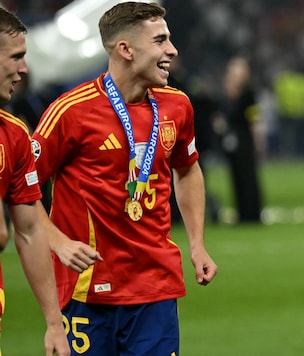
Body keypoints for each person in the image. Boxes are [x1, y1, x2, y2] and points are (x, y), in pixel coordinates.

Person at [31, 2, 218, 355]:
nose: (172, 50)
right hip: (87, 289)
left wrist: (196, 243)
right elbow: (20, 189)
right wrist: (57, 242)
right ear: (126, 49)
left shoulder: (177, 106)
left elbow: (188, 168)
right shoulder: (70, 111)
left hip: (156, 287)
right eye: (160, 40)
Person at [0, 8, 71, 355]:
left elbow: (28, 230)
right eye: (16, 57)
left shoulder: (14, 136)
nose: (24, 69)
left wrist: (55, 324)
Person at [211, 56, 263, 223]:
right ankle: (241, 212)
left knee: (248, 177)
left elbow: (254, 119)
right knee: (236, 177)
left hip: (244, 140)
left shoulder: (248, 94)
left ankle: (251, 214)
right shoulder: (228, 95)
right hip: (231, 141)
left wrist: (257, 141)